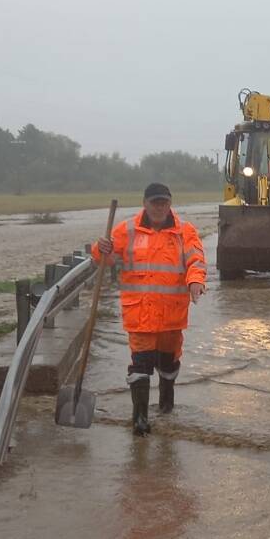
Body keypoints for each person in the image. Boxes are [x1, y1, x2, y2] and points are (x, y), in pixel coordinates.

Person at [94, 183, 207, 436]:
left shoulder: (184, 231)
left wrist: (196, 281)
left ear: (170, 204)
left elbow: (196, 260)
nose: (159, 207)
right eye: (154, 202)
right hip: (140, 314)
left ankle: (166, 405)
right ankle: (140, 419)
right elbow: (106, 259)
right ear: (145, 203)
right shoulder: (127, 230)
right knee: (140, 365)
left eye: (163, 203)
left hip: (172, 315)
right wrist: (100, 249)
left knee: (168, 363)